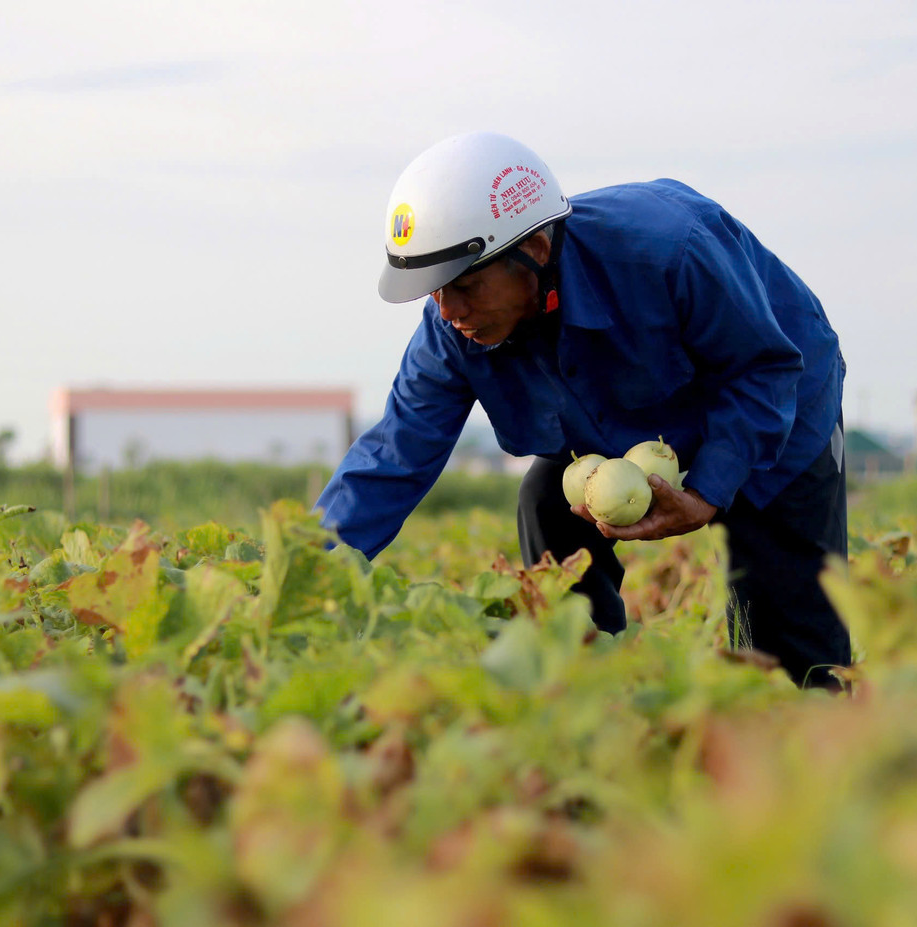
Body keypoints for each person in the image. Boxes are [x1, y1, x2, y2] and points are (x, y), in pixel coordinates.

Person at [314, 131, 851, 689]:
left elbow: (763, 370)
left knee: (791, 655)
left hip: (771, 404)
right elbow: (391, 457)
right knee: (546, 505)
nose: (449, 311)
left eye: (466, 285)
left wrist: (707, 493)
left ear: (535, 249)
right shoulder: (452, 331)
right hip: (629, 420)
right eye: (434, 291)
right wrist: (304, 571)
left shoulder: (670, 248)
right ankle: (586, 690)